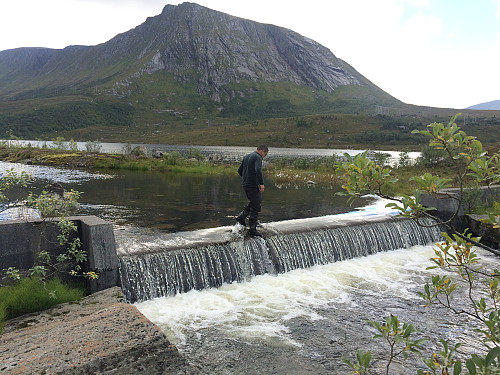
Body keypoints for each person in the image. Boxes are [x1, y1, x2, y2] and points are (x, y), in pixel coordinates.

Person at [236, 144, 268, 237]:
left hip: (245, 185)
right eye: (265, 155)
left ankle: (241, 217)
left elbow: (239, 170)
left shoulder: (247, 156)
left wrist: (245, 179)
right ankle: (252, 229)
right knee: (256, 205)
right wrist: (261, 183)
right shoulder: (257, 157)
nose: (264, 157)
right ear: (262, 151)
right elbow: (258, 170)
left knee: (254, 202)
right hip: (253, 185)